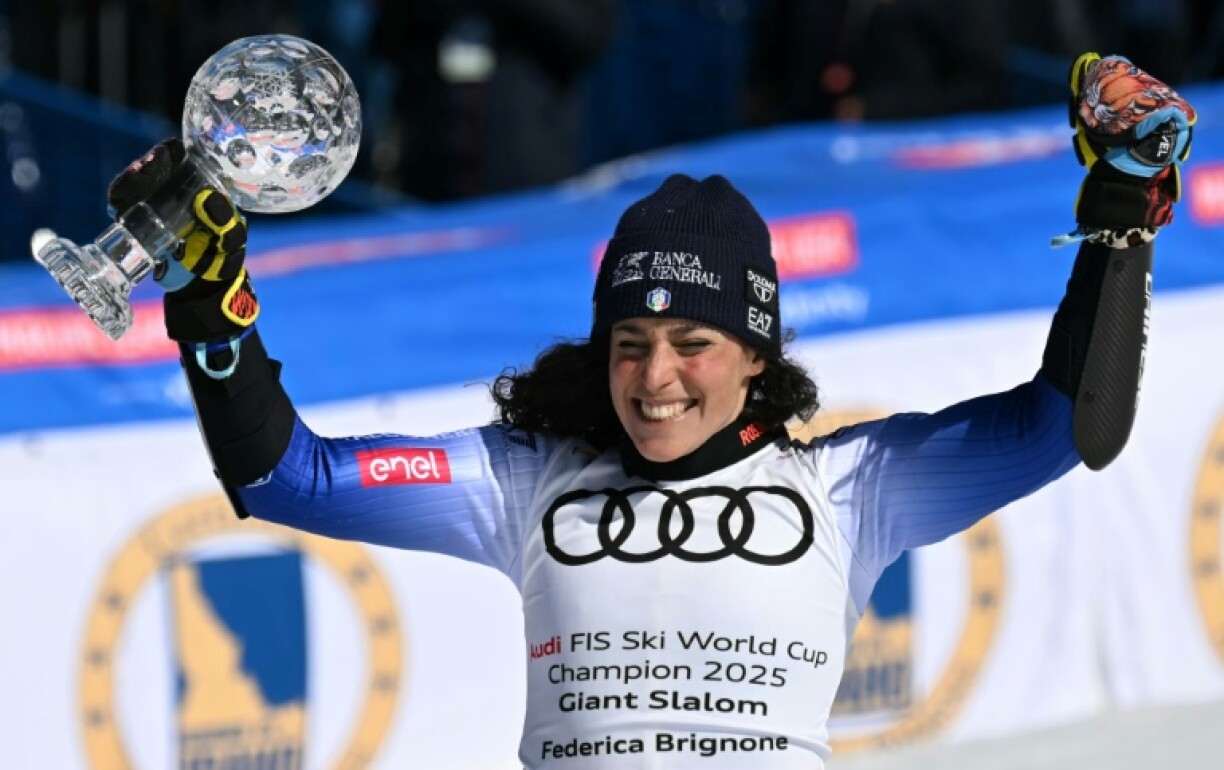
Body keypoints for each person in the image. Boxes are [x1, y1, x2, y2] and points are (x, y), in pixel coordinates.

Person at [104, 54, 1194, 768]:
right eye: (631, 342)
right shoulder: (526, 478)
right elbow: (285, 476)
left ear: (756, 355)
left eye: (693, 344)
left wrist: (1120, 219)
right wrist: (208, 299)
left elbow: (1068, 427)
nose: (656, 376)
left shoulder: (850, 487)